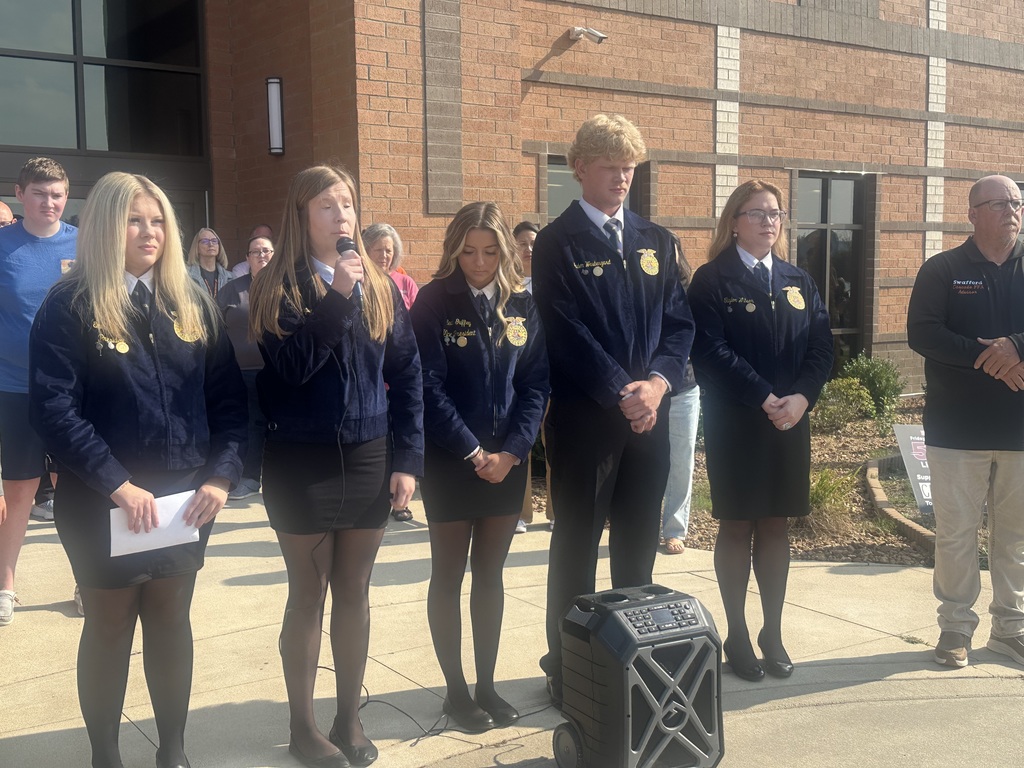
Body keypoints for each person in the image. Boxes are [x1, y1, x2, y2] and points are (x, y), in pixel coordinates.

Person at [29, 171, 247, 768]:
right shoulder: (69, 306)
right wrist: (118, 485)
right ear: (104, 225)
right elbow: (53, 409)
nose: (149, 232)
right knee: (109, 628)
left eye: (157, 221)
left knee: (172, 621)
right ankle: (106, 755)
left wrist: (222, 476)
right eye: (133, 219)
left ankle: (172, 750)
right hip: (103, 504)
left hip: (185, 503)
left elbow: (228, 402)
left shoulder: (192, 301)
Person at [249, 165, 423, 768]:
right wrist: (336, 297)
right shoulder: (275, 285)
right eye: (327, 206)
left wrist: (408, 458)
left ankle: (349, 717)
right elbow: (290, 371)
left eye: (347, 204)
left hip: (370, 455)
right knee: (308, 594)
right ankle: (304, 726)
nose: (341, 216)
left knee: (355, 591)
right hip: (301, 461)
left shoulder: (380, 285)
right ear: (303, 216)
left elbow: (407, 375)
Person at [532, 114, 694, 706]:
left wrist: (655, 385)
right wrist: (623, 393)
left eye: (630, 167)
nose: (623, 177)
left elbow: (680, 324)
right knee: (575, 544)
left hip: (650, 420)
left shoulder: (657, 240)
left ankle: (634, 658)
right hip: (586, 422)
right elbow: (565, 331)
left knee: (637, 543)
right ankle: (568, 664)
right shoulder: (557, 243)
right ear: (580, 169)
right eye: (610, 168)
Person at [410, 202, 548, 732]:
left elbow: (536, 384)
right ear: (453, 249)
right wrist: (472, 451)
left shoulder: (523, 306)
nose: (479, 262)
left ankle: (488, 686)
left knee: (490, 576)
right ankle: (456, 691)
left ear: (506, 253)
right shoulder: (432, 303)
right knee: (448, 574)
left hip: (506, 463)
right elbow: (427, 385)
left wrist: (512, 452)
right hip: (451, 461)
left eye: (491, 252)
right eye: (468, 251)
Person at [688, 180, 832, 682]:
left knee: (775, 524)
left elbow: (821, 348)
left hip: (790, 421)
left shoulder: (797, 280)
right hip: (737, 422)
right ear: (734, 221)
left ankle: (772, 631)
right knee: (737, 525)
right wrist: (762, 395)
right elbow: (708, 351)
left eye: (775, 213)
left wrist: (801, 397)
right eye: (757, 213)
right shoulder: (712, 281)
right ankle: (738, 633)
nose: (769, 221)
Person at [907, 174, 1024, 669]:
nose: (1012, 210)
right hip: (957, 430)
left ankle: (1010, 627)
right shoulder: (944, 269)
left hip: (1019, 430)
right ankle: (955, 627)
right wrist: (991, 357)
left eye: (1017, 202)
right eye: (999, 203)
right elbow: (923, 333)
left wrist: (1016, 347)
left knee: (1015, 532)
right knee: (956, 533)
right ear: (973, 213)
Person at [0, 156, 77, 627]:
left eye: (57, 195)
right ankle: (6, 586)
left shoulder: (84, 244)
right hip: (14, 388)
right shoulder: (3, 245)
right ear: (19, 193)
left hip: (71, 389)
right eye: (39, 193)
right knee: (21, 490)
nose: (49, 203)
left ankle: (86, 580)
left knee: (77, 489)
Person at [218, 234, 275, 500]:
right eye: (255, 252)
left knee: (272, 424)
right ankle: (249, 477)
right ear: (247, 259)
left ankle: (273, 477)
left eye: (266, 251)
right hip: (240, 372)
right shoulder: (232, 289)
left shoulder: (285, 287)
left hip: (277, 371)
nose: (261, 255)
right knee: (249, 424)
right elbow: (214, 329)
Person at [661, 235, 700, 556]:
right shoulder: (639, 289)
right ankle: (641, 524)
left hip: (685, 387)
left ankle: (674, 529)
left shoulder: (692, 293)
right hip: (646, 391)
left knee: (681, 462)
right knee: (644, 463)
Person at [363, 222, 419, 310]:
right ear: (366, 251)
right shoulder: (360, 280)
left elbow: (418, 317)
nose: (384, 255)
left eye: (388, 251)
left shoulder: (406, 283)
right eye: (378, 250)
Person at [185, 227, 233, 299]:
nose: (210, 244)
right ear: (196, 247)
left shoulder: (231, 278)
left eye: (214, 241)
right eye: (205, 241)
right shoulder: (186, 276)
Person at [512, 221, 538, 293]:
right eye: (523, 244)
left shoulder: (551, 281)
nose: (529, 249)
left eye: (533, 244)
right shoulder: (506, 284)